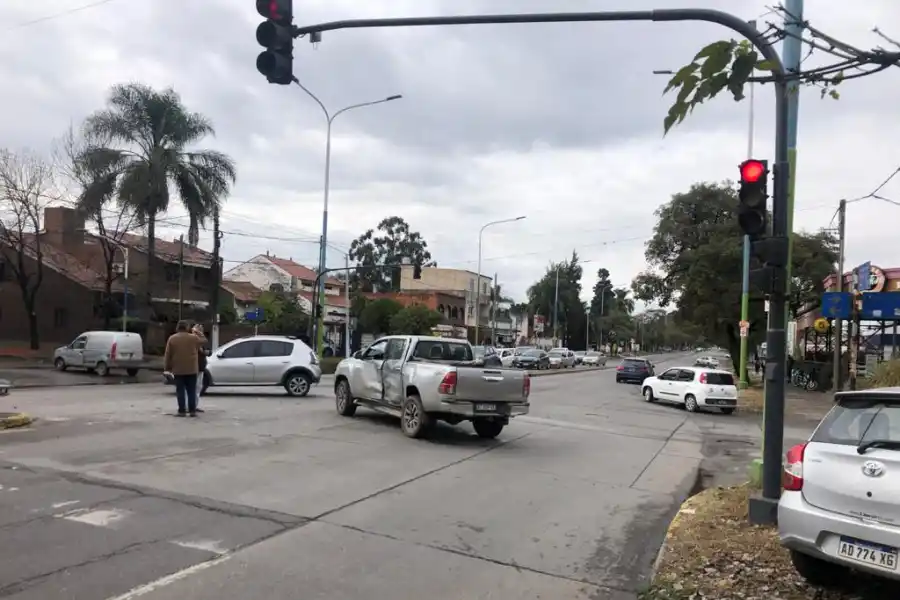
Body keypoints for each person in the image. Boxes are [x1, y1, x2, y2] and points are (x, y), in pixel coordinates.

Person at [164, 320, 206, 417]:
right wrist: (197, 331)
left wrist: (167, 368)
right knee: (191, 390)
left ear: (178, 327)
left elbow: (168, 355)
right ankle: (192, 411)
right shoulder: (193, 338)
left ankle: (182, 411)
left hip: (178, 369)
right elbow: (204, 340)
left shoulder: (172, 338)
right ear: (187, 328)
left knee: (180, 391)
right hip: (192, 369)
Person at [192, 324, 207, 413]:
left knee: (198, 387)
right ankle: (191, 405)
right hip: (195, 366)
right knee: (194, 387)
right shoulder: (193, 339)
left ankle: (194, 405)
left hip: (200, 366)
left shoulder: (198, 340)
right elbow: (204, 340)